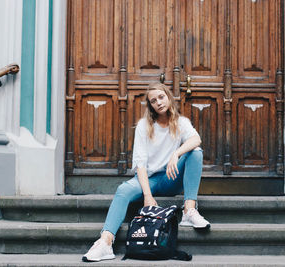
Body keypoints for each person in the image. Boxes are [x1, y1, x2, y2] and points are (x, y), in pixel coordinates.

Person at [82, 82, 210, 262]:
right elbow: (140, 163)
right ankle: (105, 242)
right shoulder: (144, 126)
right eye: (153, 100)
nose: (158, 102)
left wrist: (176, 153)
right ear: (150, 105)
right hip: (147, 180)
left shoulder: (181, 122)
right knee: (123, 190)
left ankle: (189, 211)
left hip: (169, 178)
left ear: (168, 97)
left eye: (161, 97)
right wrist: (147, 196)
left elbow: (196, 139)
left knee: (195, 152)